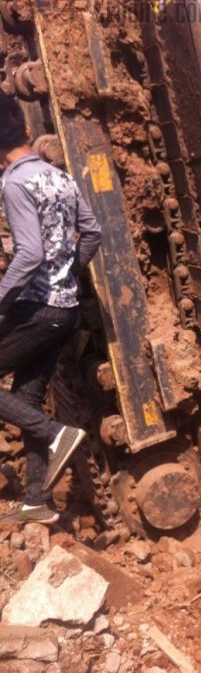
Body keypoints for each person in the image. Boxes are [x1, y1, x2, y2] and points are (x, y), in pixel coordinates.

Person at [0, 95, 101, 524]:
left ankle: (57, 434)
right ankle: (37, 501)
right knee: (25, 396)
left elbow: (28, 254)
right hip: (66, 311)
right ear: (25, 131)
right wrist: (67, 276)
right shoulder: (60, 177)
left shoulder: (13, 183)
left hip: (39, 310)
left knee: (33, 411)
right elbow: (92, 233)